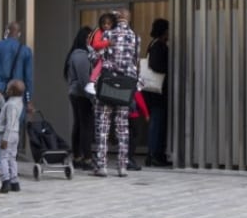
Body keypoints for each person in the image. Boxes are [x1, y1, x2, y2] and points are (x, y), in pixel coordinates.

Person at [92, 10, 140, 177]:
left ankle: (102, 166)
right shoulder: (135, 37)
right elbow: (136, 61)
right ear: (128, 18)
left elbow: (95, 55)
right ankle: (122, 167)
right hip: (125, 87)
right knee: (122, 127)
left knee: (103, 126)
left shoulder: (108, 34)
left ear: (116, 19)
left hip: (108, 84)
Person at [0, 22, 33, 172]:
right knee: (13, 128)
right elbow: (28, 78)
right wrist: (29, 99)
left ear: (6, 31)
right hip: (17, 95)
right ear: (19, 34)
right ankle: (11, 163)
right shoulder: (25, 51)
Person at [65, 26, 96, 170]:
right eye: (91, 37)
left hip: (75, 93)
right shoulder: (81, 55)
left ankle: (78, 156)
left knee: (78, 125)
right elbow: (85, 80)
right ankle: (87, 159)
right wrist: (92, 97)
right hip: (82, 94)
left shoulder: (74, 54)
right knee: (86, 126)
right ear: (85, 38)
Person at [143, 19, 172, 168]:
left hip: (155, 92)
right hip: (156, 92)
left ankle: (156, 155)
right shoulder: (158, 45)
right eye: (168, 29)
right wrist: (170, 68)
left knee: (159, 123)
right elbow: (155, 65)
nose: (169, 33)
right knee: (157, 123)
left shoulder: (154, 44)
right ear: (163, 30)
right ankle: (154, 155)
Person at [0, 79, 27, 194]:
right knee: (12, 157)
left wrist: (5, 138)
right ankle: (15, 182)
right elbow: (6, 111)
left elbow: (10, 122)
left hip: (6, 133)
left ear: (12, 91)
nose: (6, 89)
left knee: (3, 158)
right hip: (15, 133)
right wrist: (0, 100)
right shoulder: (17, 102)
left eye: (8, 88)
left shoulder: (11, 105)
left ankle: (5, 181)